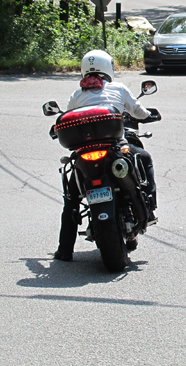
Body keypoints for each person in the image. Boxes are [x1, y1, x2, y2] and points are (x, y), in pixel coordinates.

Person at [54, 49, 158, 261]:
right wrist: (150, 115)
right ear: (108, 67)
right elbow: (138, 111)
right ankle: (149, 206)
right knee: (143, 157)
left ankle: (65, 249)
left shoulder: (77, 95)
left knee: (72, 199)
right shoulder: (117, 88)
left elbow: (67, 117)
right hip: (114, 149)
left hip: (84, 154)